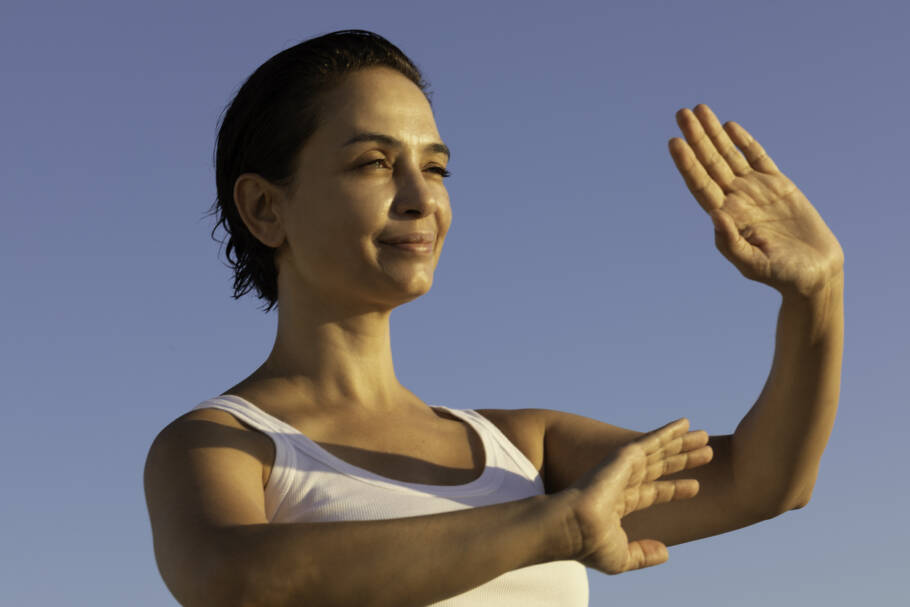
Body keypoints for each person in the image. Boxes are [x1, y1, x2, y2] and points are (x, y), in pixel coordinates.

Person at [143, 30, 844, 607]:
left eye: (437, 167)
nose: (421, 198)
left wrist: (817, 293)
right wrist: (555, 523)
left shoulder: (522, 445)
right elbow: (234, 579)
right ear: (266, 208)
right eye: (374, 163)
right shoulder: (221, 445)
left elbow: (765, 479)